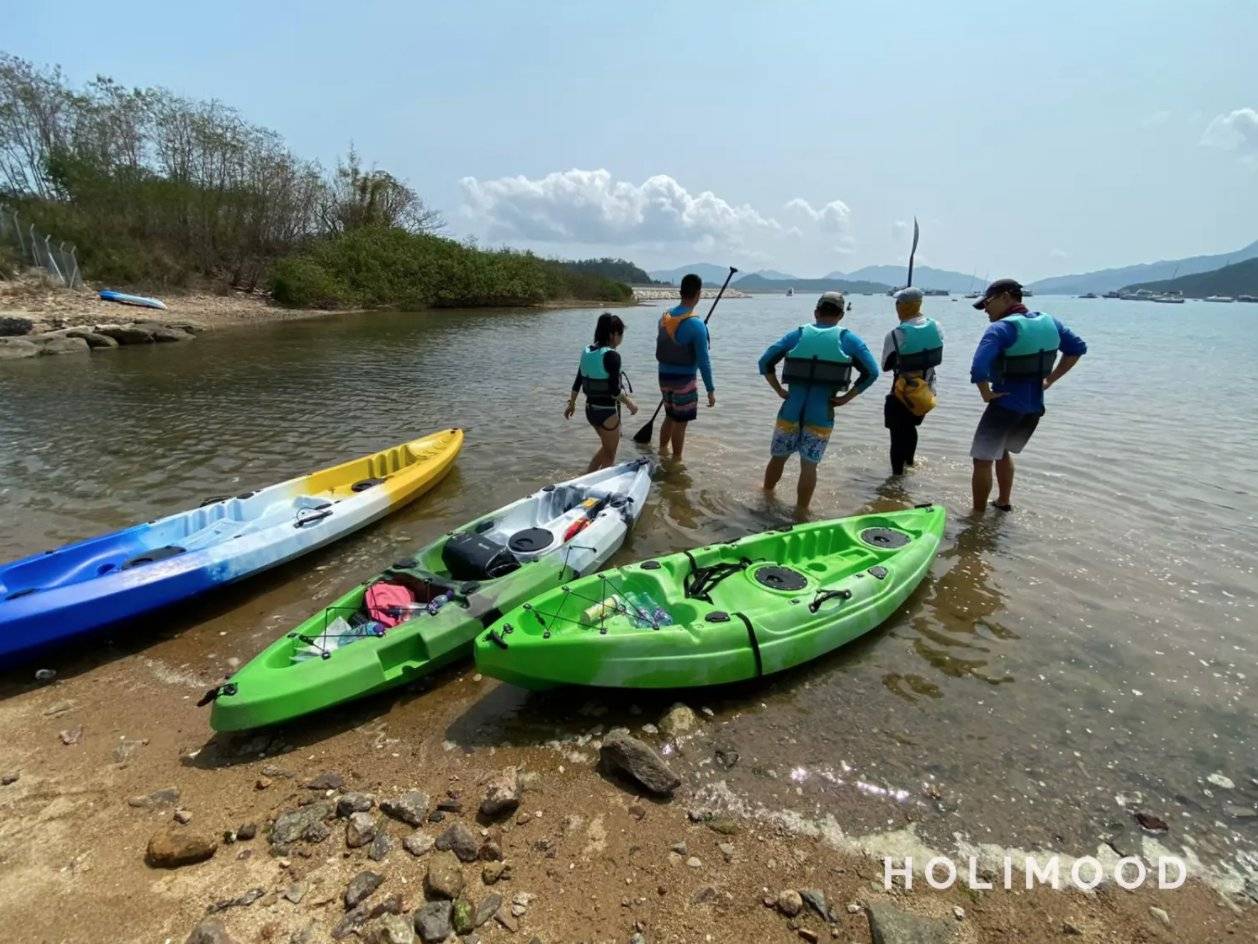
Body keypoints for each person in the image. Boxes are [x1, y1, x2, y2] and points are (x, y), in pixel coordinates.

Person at [969, 278, 1087, 513]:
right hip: (1034, 408)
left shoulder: (1000, 329)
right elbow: (1077, 348)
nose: (985, 310)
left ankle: (976, 517)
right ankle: (1003, 502)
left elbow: (978, 368)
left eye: (987, 303)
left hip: (1005, 404)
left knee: (982, 459)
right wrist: (1050, 380)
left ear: (1005, 297)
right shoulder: (1051, 323)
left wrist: (985, 393)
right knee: (1002, 451)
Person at [759, 291, 879, 510]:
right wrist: (846, 398)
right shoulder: (848, 340)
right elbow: (872, 372)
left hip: (790, 410)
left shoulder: (797, 335)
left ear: (816, 312)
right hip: (821, 414)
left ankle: (764, 501)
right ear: (841, 315)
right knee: (809, 466)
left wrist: (778, 390)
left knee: (778, 458)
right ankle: (801, 513)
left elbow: (764, 362)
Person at [881, 287, 944, 475]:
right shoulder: (936, 326)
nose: (896, 306)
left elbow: (885, 366)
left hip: (903, 392)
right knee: (910, 427)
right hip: (927, 392)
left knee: (897, 435)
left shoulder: (896, 334)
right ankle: (910, 464)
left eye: (898, 303)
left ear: (902, 306)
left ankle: (896, 478)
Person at [565, 312, 638, 472]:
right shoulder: (612, 356)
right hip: (606, 413)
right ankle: (603, 482)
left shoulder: (587, 352)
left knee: (606, 448)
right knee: (610, 455)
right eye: (620, 334)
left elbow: (578, 381)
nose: (621, 339)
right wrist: (630, 403)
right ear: (613, 334)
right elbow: (614, 391)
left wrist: (571, 404)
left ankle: (587, 475)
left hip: (590, 411)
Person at [655, 273, 715, 459]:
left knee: (669, 416)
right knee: (680, 424)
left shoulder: (664, 318)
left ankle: (662, 452)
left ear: (681, 292)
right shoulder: (697, 325)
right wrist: (710, 389)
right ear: (698, 294)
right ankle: (676, 461)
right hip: (684, 381)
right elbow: (704, 361)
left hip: (664, 377)